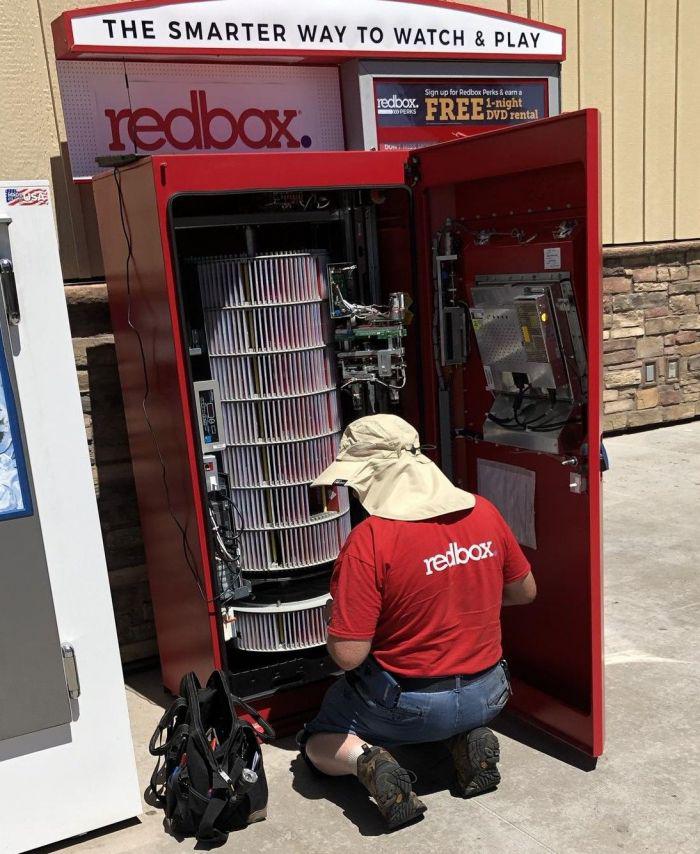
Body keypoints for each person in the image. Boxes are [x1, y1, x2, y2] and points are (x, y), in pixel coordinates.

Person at [298, 414, 537, 830]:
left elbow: (349, 655)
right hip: (489, 693)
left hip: (412, 705)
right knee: (448, 712)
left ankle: (368, 761)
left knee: (317, 741)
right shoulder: (484, 512)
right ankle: (467, 736)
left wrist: (338, 620)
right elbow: (524, 591)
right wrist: (461, 597)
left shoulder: (371, 539)